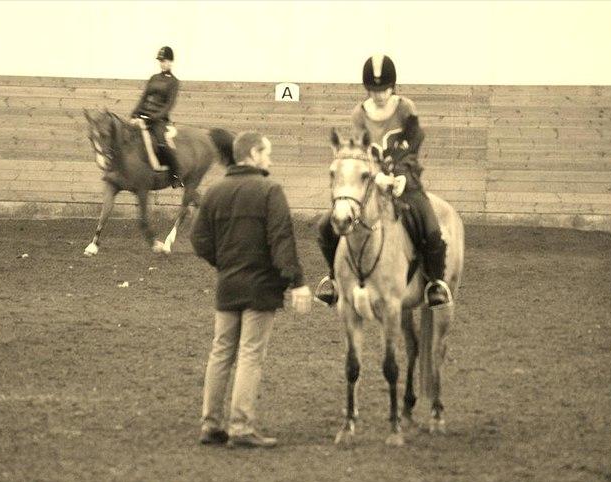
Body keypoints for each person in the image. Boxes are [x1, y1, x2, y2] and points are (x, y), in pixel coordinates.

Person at [190, 131, 312, 448]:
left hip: (228, 284)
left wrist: (225, 263)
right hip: (261, 287)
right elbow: (281, 240)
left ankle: (211, 425)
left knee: (220, 353)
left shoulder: (215, 192)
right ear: (255, 153)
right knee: (250, 354)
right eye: (267, 153)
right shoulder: (270, 191)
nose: (269, 160)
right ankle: (241, 427)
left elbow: (199, 240)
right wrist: (297, 282)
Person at [315, 54, 451, 308]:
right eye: (374, 90)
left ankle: (435, 282)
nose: (379, 95)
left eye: (384, 89)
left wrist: (400, 174)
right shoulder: (359, 113)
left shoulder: (405, 109)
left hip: (404, 178)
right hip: (371, 181)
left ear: (393, 86)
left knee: (430, 226)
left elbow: (414, 144)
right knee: (325, 226)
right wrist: (376, 175)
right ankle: (333, 279)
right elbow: (359, 151)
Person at [130, 45, 182, 188]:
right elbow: (143, 97)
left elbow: (168, 106)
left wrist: (152, 117)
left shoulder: (173, 82)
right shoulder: (153, 78)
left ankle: (176, 174)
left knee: (162, 142)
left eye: (165, 61)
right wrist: (134, 113)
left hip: (159, 120)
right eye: (161, 61)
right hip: (143, 115)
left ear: (171, 62)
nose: (163, 63)